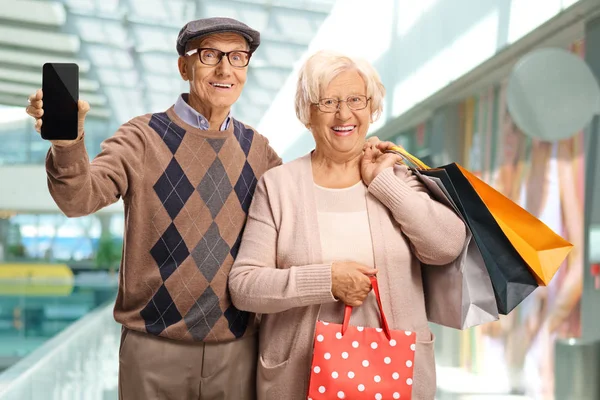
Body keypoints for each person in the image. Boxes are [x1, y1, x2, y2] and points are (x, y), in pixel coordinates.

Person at [26, 17, 282, 400]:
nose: (225, 69)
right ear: (184, 66)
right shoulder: (141, 138)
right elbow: (79, 199)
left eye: (238, 57)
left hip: (237, 349)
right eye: (210, 55)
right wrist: (67, 144)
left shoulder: (258, 150)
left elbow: (295, 208)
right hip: (152, 350)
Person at [228, 50, 467, 400]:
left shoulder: (396, 175)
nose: (344, 114)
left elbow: (447, 245)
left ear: (371, 108)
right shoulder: (278, 186)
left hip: (396, 377)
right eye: (328, 102)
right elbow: (245, 286)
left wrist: (384, 184)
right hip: (299, 378)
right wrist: (326, 280)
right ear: (307, 112)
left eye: (355, 99)